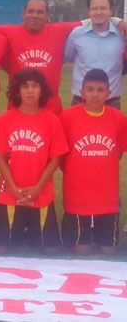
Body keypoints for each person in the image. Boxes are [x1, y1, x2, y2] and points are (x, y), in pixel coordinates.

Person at [0, 69, 68, 254]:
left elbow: (55, 158)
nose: (30, 91)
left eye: (35, 86)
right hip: (10, 192)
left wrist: (38, 187)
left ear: (42, 90)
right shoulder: (6, 119)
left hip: (40, 192)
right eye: (25, 87)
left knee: (51, 250)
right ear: (17, 91)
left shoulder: (52, 120)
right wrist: (13, 188)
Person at [59, 69, 127, 256]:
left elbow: (118, 152)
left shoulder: (119, 119)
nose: (95, 94)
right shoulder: (68, 117)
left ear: (108, 93)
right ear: (81, 92)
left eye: (100, 90)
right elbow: (62, 155)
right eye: (89, 89)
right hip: (78, 196)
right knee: (82, 251)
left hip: (107, 197)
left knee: (109, 251)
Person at [64, 0, 125, 109]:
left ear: (111, 11)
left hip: (111, 103)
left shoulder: (122, 35)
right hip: (80, 101)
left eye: (103, 8)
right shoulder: (76, 34)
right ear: (89, 12)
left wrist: (118, 21)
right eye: (94, 9)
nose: (98, 12)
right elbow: (68, 57)